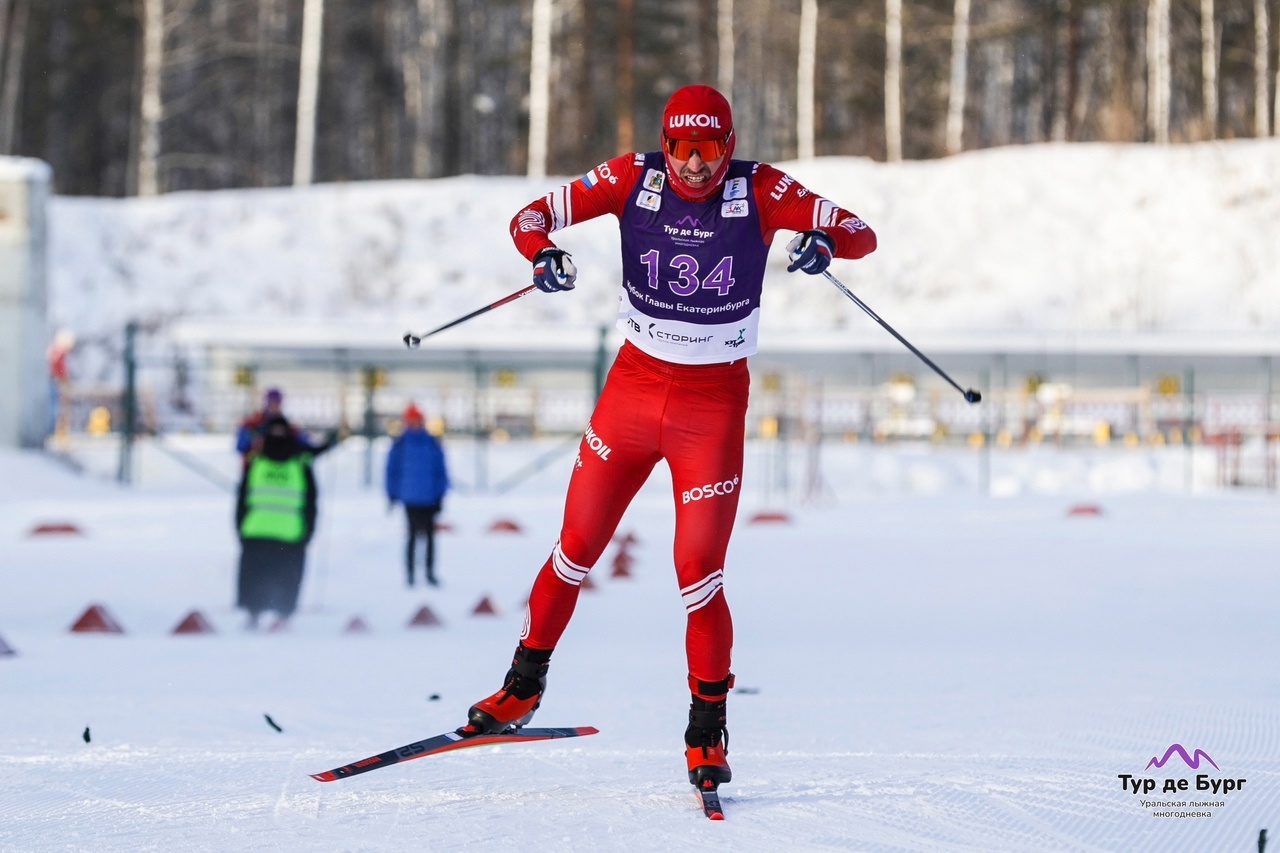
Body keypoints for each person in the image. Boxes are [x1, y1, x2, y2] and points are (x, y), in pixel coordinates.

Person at [461, 85, 877, 794]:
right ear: (665, 141)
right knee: (573, 549)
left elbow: (861, 230)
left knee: (698, 574)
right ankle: (521, 688)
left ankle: (706, 731)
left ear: (729, 144)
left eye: (708, 149)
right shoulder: (633, 176)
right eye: (681, 148)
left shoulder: (762, 188)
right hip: (632, 392)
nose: (692, 166)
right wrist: (541, 253)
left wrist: (823, 240)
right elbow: (530, 215)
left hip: (709, 408)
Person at [235, 414, 318, 629]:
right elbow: (311, 502)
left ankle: (253, 615)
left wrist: (240, 528)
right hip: (291, 534)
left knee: (255, 578)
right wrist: (308, 532)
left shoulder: (257, 462)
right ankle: (283, 616)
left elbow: (242, 499)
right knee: (287, 579)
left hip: (256, 531)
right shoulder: (300, 464)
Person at [385, 403, 450, 587]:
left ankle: (429, 573)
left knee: (429, 537)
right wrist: (392, 494)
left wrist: (440, 494)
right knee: (413, 536)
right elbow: (392, 471)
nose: (415, 424)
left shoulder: (430, 442)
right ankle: (411, 573)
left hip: (429, 498)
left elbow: (440, 470)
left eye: (417, 421)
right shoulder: (401, 444)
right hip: (410, 498)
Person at [236, 387, 335, 465]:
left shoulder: (287, 426)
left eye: (278, 403)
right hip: (256, 472)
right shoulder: (252, 424)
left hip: (283, 471)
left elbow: (304, 442)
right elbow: (240, 446)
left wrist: (323, 443)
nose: (275, 406)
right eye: (272, 402)